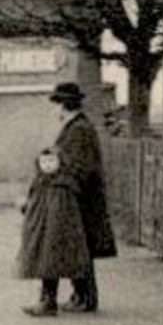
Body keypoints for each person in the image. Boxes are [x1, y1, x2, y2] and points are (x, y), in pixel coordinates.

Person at [48, 81, 117, 312]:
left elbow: (80, 167)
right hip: (80, 197)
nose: (54, 110)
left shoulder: (79, 130)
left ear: (64, 105)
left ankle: (86, 298)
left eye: (56, 104)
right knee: (78, 247)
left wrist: (61, 180)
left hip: (81, 199)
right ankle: (81, 295)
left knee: (81, 247)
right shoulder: (77, 127)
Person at [15, 144, 92, 316]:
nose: (48, 165)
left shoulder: (62, 186)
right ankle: (47, 298)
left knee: (52, 265)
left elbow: (62, 212)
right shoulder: (40, 182)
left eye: (52, 160)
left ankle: (52, 301)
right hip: (41, 232)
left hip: (56, 233)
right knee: (46, 267)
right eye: (44, 161)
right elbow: (34, 203)